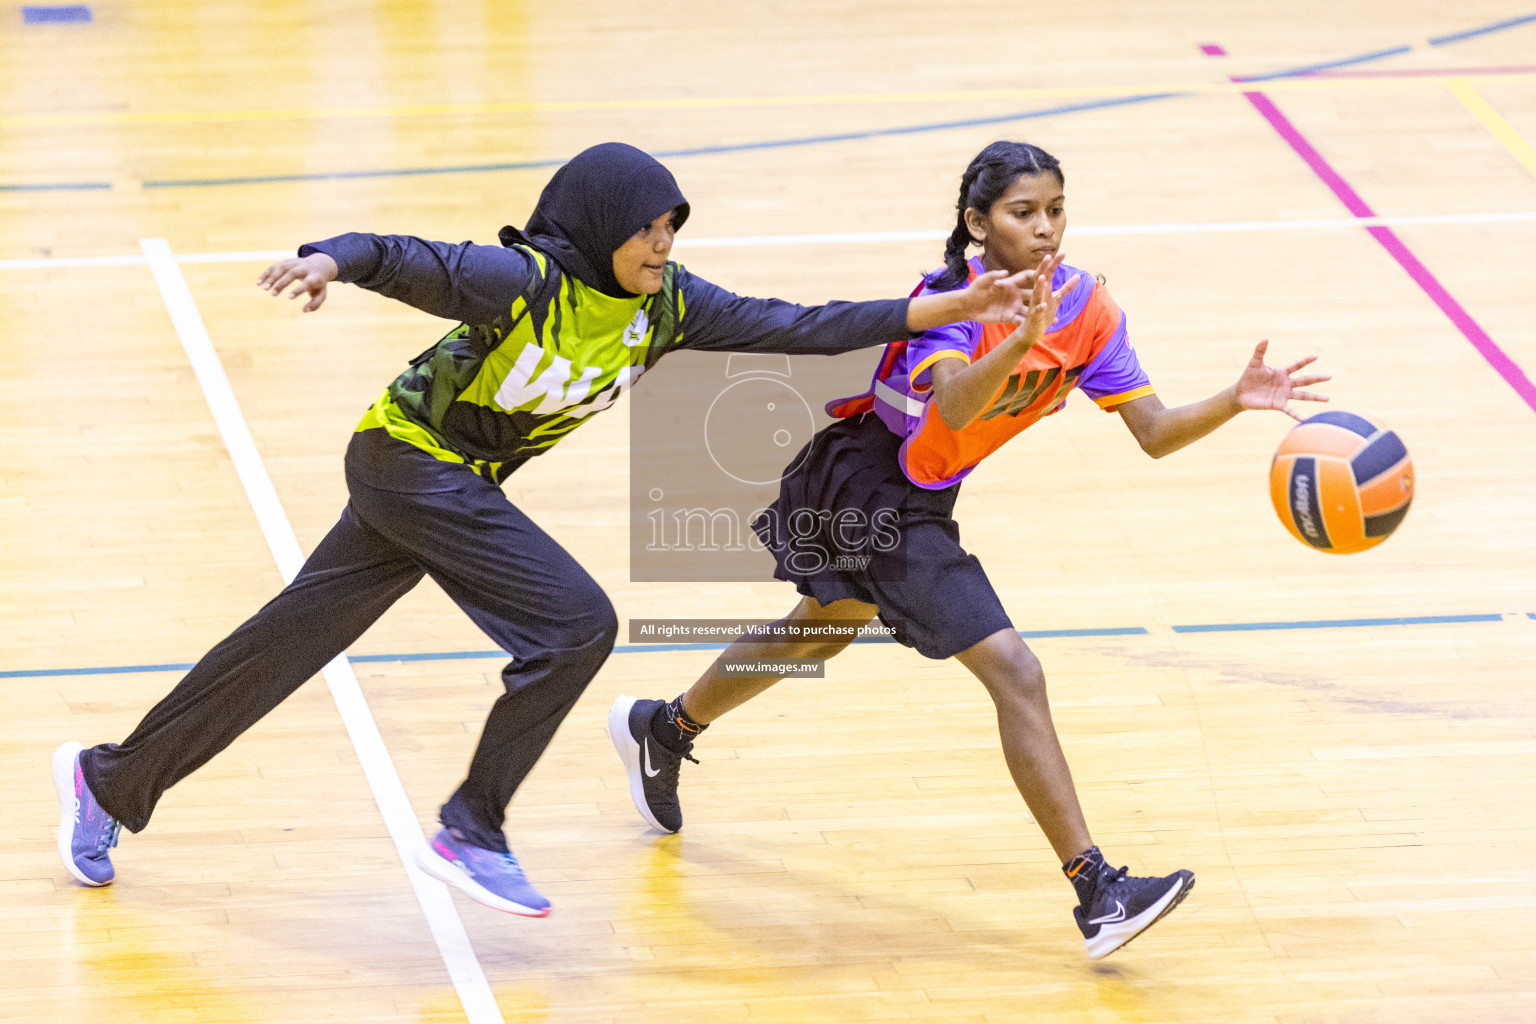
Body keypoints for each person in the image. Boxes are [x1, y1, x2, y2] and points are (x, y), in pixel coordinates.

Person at [52, 142, 1040, 917]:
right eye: (648, 229)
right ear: (602, 225)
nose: (663, 245)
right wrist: (328, 260)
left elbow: (802, 323)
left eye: (671, 228)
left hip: (450, 483)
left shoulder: (669, 306)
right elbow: (409, 260)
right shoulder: (524, 283)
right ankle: (473, 826)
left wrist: (940, 306)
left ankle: (111, 778)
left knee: (291, 640)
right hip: (407, 460)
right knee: (575, 623)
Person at [608, 139, 1330, 957]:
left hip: (921, 490)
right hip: (867, 481)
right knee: (1015, 669)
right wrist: (1017, 344)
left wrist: (1235, 400)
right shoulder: (947, 300)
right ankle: (1098, 891)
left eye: (1056, 210)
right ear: (978, 224)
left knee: (822, 628)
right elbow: (951, 404)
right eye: (1024, 214)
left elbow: (1156, 434)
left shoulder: (1089, 308)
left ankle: (663, 728)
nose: (1046, 229)